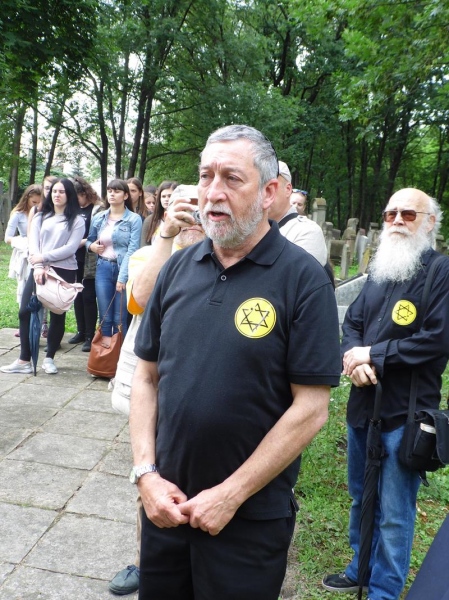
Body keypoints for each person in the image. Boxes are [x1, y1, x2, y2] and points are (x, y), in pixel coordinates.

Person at [129, 124, 341, 600]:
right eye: (206, 176)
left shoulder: (304, 280)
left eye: (231, 178)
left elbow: (311, 409)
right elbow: (146, 376)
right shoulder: (177, 268)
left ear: (268, 192)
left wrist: (231, 494)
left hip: (247, 521)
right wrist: (146, 475)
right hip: (167, 507)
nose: (213, 192)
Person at [322, 189, 449, 600]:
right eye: (391, 212)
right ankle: (360, 569)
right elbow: (353, 324)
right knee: (361, 496)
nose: (396, 220)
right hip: (364, 404)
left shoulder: (441, 272)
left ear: (429, 222)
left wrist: (374, 355)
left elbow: (437, 339)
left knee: (394, 511)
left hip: (405, 412)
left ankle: (383, 590)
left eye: (408, 214)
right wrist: (354, 359)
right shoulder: (381, 267)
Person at [109, 186, 205, 596]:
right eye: (185, 206)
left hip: (204, 390)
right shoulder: (152, 253)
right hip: (156, 385)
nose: (192, 215)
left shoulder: (227, 258)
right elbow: (139, 298)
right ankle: (145, 560)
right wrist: (168, 235)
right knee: (150, 475)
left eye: (199, 207)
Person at [0, 178, 85, 375]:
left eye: (62, 191)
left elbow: (71, 248)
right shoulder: (40, 216)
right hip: (38, 269)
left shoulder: (77, 220)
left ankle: (49, 358)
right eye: (54, 191)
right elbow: (33, 243)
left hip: (63, 270)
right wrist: (38, 265)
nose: (57, 195)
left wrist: (44, 258)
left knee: (57, 313)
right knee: (24, 311)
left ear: (69, 194)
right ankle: (24, 360)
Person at [86, 179, 142, 347]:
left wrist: (122, 277)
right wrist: (92, 247)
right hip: (103, 267)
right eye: (110, 191)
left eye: (117, 191)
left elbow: (133, 250)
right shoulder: (99, 217)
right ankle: (104, 355)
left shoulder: (134, 219)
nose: (112, 194)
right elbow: (89, 240)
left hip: (122, 268)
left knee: (120, 317)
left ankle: (119, 354)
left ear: (125, 196)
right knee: (105, 315)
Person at [68, 176, 104, 352]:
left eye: (77, 196)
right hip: (73, 258)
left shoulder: (98, 209)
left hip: (91, 259)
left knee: (88, 296)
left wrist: (80, 242)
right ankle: (81, 331)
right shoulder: (72, 209)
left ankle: (90, 335)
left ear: (84, 193)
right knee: (77, 295)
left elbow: (99, 234)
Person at [269, 161, 327, 266]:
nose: (263, 191)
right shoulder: (250, 229)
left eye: (271, 186)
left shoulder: (307, 232)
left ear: (288, 189)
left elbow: (299, 274)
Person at [5, 184, 42, 306]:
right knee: (25, 288)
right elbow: (7, 238)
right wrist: (24, 241)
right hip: (26, 253)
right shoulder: (18, 214)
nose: (36, 205)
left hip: (42, 252)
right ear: (27, 198)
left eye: (39, 202)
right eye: (34, 202)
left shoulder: (44, 213)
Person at [140, 180, 178, 246]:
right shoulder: (150, 220)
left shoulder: (184, 219)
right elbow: (144, 246)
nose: (166, 199)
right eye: (163, 196)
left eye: (170, 196)